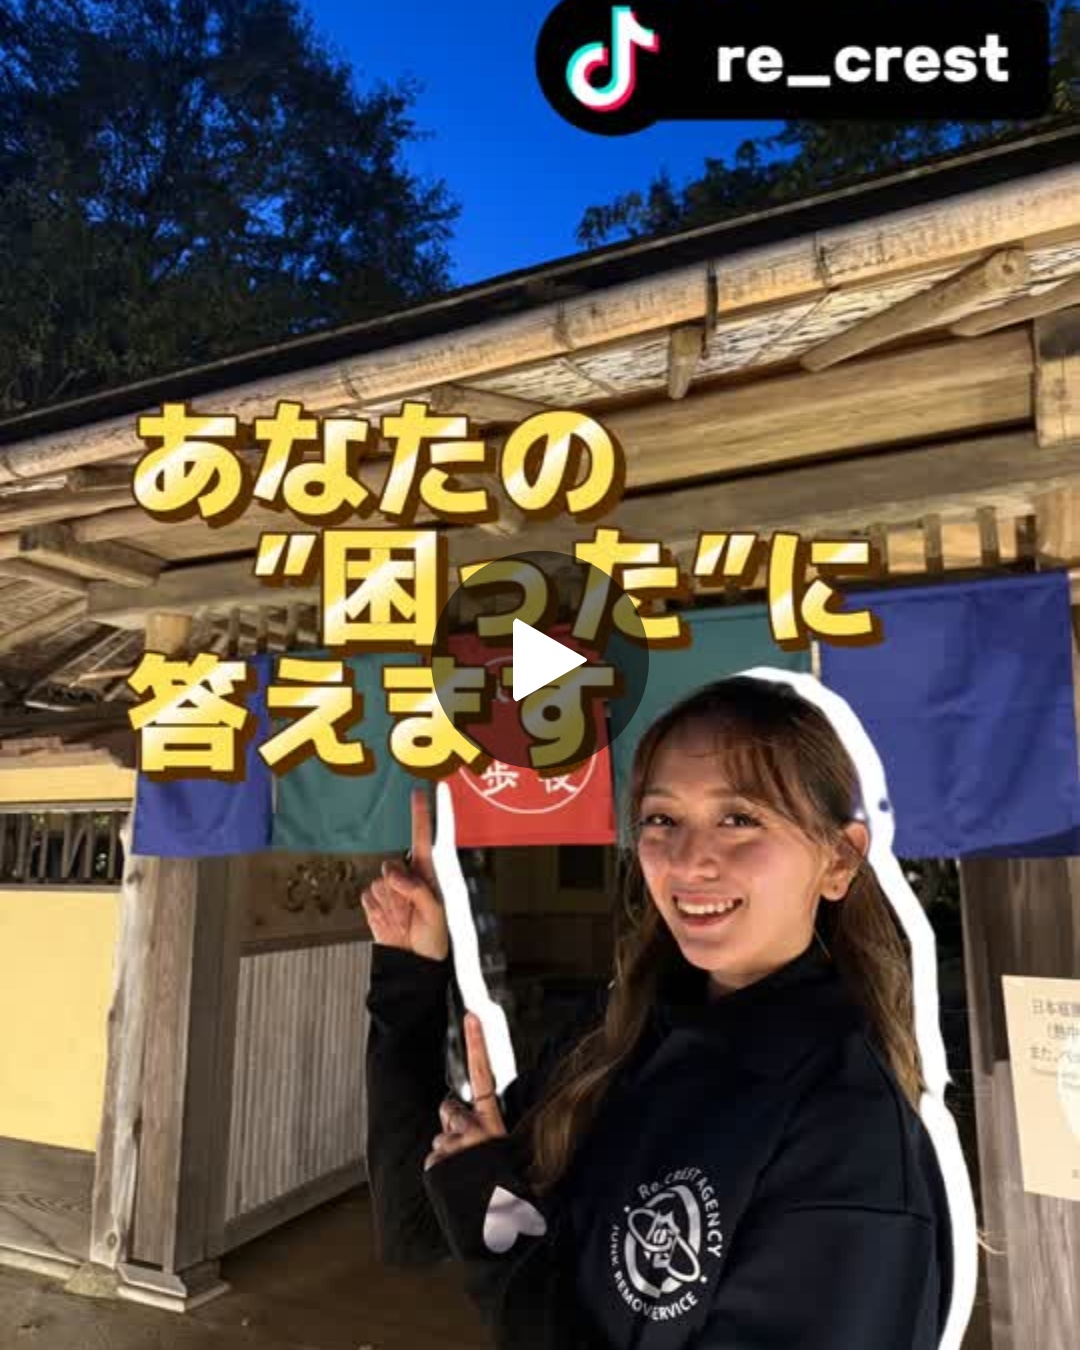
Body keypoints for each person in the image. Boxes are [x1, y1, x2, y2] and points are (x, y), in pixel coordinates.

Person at [361, 674, 958, 1349]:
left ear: (840, 859)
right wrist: (409, 973)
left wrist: (501, 1246)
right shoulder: (615, 1038)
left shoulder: (848, 1135)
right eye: (662, 820)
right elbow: (414, 1228)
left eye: (740, 818)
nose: (690, 862)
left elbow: (501, 1252)